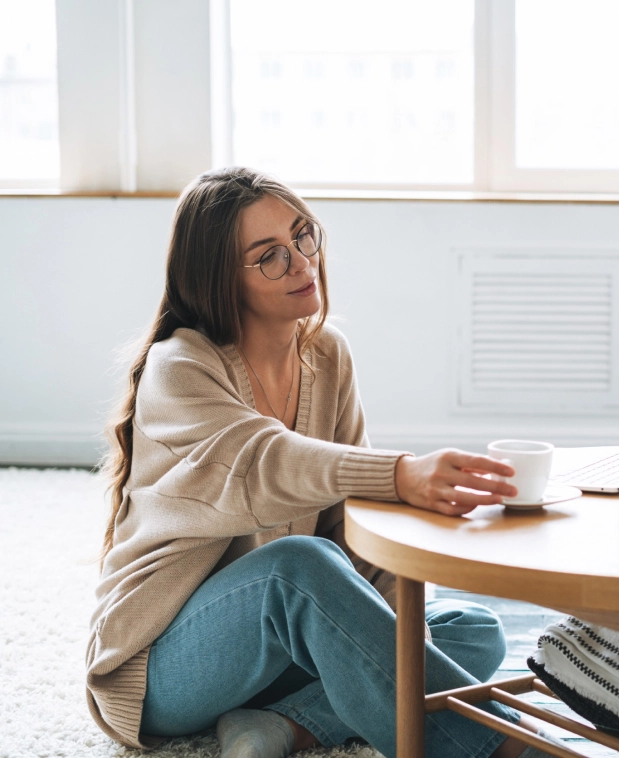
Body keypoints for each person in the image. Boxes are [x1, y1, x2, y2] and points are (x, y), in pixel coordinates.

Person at [86, 167, 562, 758]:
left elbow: (350, 522)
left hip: (277, 655)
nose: (302, 262)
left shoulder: (328, 354)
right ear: (221, 280)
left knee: (471, 628)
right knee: (297, 567)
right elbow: (263, 462)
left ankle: (285, 726)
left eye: (303, 236)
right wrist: (399, 475)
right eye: (269, 257)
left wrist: (388, 627)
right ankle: (502, 750)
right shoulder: (180, 366)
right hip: (168, 664)